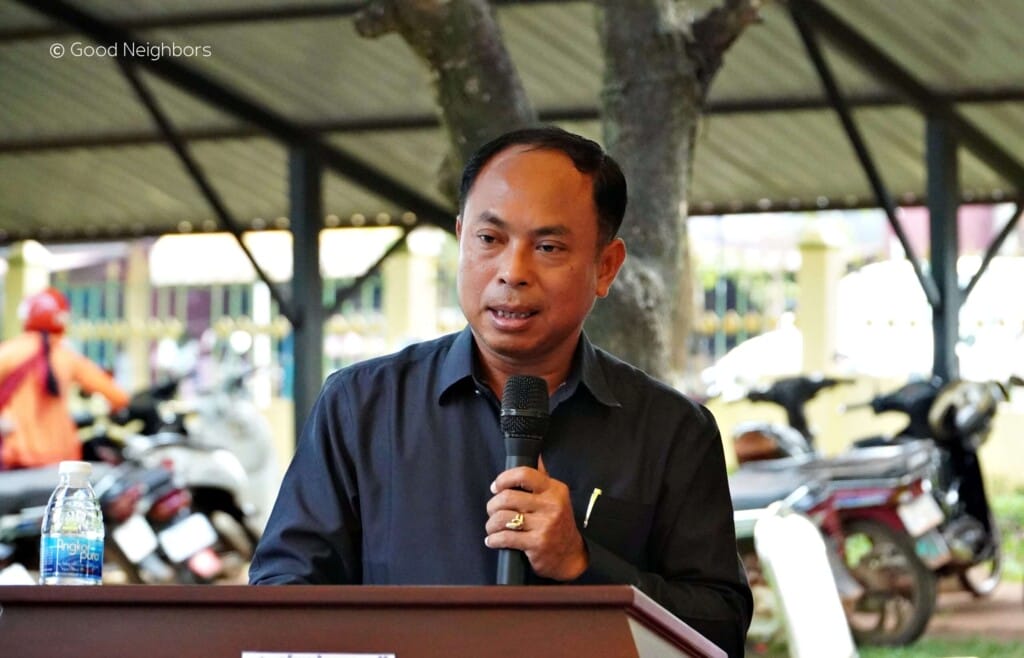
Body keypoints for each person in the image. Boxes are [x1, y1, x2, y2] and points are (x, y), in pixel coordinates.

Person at [250, 126, 753, 655]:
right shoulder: (361, 407)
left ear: (605, 267)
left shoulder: (671, 430)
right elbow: (283, 600)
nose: (512, 272)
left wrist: (584, 564)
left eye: (549, 246)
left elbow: (719, 629)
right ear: (462, 237)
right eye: (489, 240)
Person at [0, 287, 129, 469]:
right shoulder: (68, 357)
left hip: (18, 458)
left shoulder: (8, 352)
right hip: (62, 461)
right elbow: (119, 397)